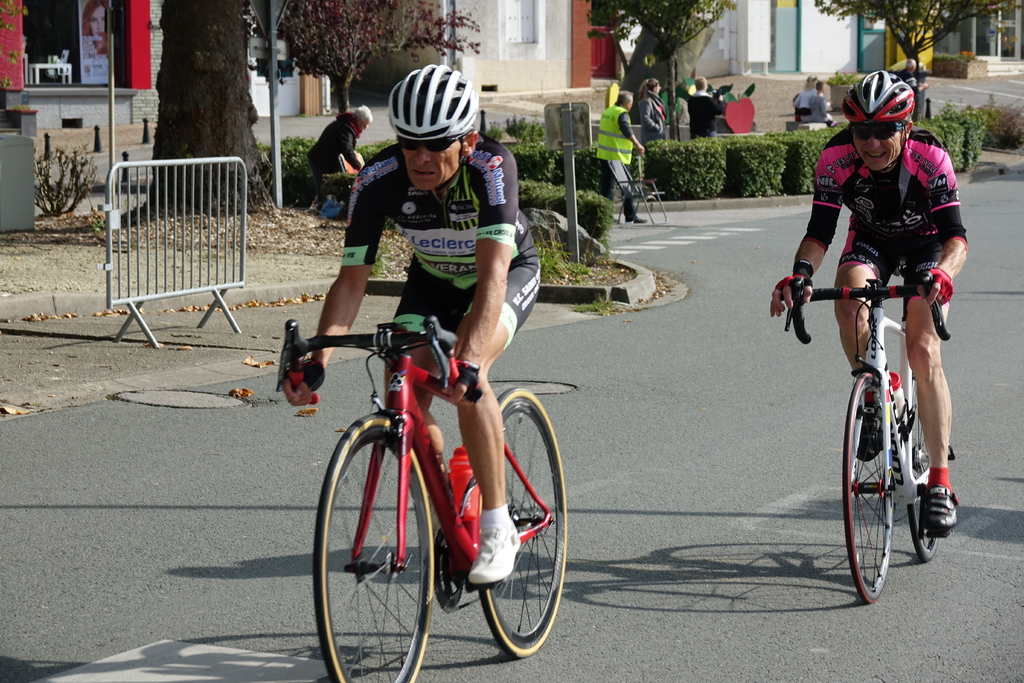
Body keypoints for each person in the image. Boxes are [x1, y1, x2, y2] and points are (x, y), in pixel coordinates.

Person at [284, 65, 540, 585]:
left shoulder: (492, 166)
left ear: (467, 141)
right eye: (409, 144)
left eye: (437, 144)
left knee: (467, 377)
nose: (421, 157)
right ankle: (445, 500)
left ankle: (497, 526)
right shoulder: (377, 179)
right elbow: (351, 282)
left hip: (503, 274)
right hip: (433, 281)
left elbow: (492, 276)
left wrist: (468, 361)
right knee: (400, 381)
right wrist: (318, 359)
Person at [770, 71, 967, 538]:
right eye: (862, 130)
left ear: (906, 127)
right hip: (871, 241)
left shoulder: (931, 157)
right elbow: (820, 232)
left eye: (884, 130)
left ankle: (940, 482)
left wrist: (943, 273)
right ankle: (880, 390)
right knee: (847, 302)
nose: (872, 143)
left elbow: (956, 238)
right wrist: (801, 273)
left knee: (923, 348)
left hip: (926, 246)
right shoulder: (835, 158)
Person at [306, 105, 373, 207]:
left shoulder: (347, 124)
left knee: (327, 189)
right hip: (319, 161)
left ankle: (322, 209)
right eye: (364, 125)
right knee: (324, 190)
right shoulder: (346, 128)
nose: (365, 128)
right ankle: (321, 211)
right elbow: (347, 151)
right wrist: (359, 167)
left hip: (326, 161)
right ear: (358, 120)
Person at [597, 90, 646, 224]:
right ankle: (630, 216)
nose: (632, 105)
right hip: (617, 157)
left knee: (607, 187)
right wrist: (638, 145)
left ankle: (605, 217)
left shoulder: (608, 111)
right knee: (627, 186)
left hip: (604, 155)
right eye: (631, 102)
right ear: (627, 102)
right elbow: (626, 130)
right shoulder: (621, 114)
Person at [637, 78, 667, 145]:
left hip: (659, 135)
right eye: (658, 86)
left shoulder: (656, 100)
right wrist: (656, 127)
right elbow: (645, 118)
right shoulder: (646, 101)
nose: (660, 88)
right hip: (651, 136)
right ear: (654, 88)